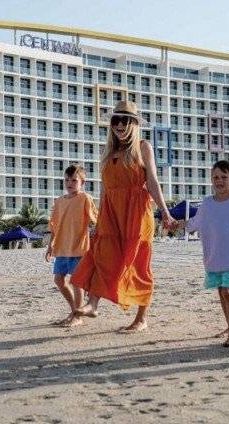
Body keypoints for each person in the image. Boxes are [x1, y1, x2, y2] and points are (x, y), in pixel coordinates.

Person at [71, 100, 174, 333]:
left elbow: (152, 182)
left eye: (124, 120)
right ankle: (93, 304)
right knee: (101, 255)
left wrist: (165, 212)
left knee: (137, 265)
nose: (119, 125)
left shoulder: (142, 146)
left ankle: (141, 318)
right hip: (111, 212)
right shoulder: (109, 153)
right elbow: (104, 189)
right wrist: (97, 218)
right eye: (115, 120)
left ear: (134, 124)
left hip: (136, 212)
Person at [166, 160, 229, 347]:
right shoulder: (206, 204)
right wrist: (176, 224)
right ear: (211, 180)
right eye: (215, 177)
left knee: (228, 291)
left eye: (224, 177)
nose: (219, 181)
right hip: (214, 255)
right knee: (221, 292)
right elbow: (193, 224)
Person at [45, 164, 99, 327]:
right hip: (61, 248)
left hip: (79, 247)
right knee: (59, 280)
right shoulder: (59, 201)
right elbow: (54, 226)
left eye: (74, 180)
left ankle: (76, 316)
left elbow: (97, 220)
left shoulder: (85, 198)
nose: (69, 183)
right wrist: (50, 246)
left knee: (77, 282)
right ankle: (75, 311)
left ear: (82, 182)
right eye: (67, 180)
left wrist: (95, 235)